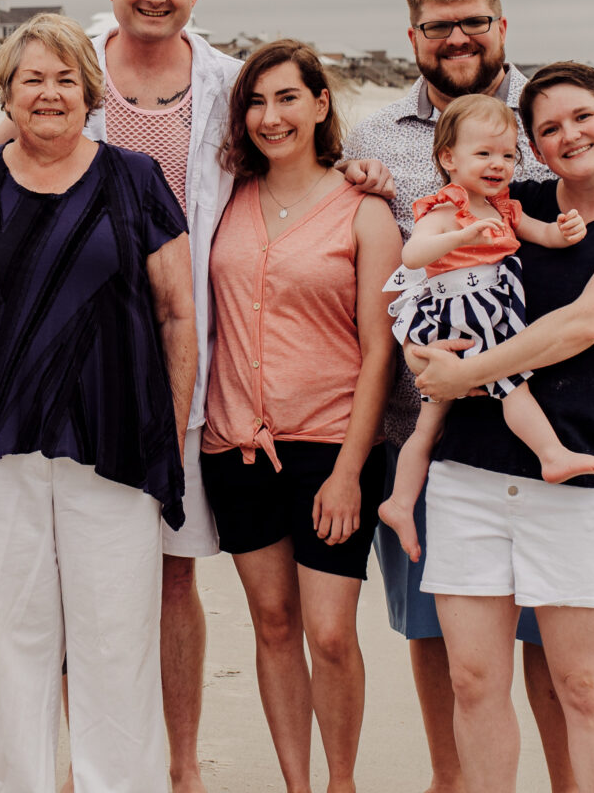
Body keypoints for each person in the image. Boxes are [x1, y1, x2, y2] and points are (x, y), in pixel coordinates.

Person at [0, 0, 389, 787]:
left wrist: (368, 174)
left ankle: (183, 763)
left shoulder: (230, 84)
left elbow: (296, 178)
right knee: (70, 579)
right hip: (76, 375)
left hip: (191, 374)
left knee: (170, 576)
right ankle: (79, 756)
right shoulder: (69, 61)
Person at [338, 0, 594, 790]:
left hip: (544, 414)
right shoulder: (374, 137)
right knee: (454, 653)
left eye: (474, 21)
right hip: (427, 428)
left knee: (560, 660)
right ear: (413, 34)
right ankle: (452, 781)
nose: (457, 37)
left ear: (501, 25)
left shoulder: (548, 113)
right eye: (437, 24)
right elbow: (360, 246)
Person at [408, 61, 594, 793]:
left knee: (584, 688)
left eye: (582, 116)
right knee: (474, 682)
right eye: (548, 129)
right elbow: (429, 262)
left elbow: (581, 325)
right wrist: (424, 347)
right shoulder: (515, 203)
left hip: (583, 472)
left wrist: (464, 375)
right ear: (533, 148)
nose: (568, 134)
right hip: (469, 472)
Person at [0, 14, 197, 793]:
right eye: (31, 79)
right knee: (6, 639)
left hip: (116, 444)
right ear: (7, 94)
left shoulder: (135, 176)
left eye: (64, 79)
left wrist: (170, 433)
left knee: (115, 642)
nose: (49, 93)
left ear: (91, 92)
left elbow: (178, 313)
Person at [197, 41, 401, 793]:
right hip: (235, 447)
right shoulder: (223, 195)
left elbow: (380, 352)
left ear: (321, 103)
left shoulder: (366, 210)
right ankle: (297, 784)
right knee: (275, 627)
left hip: (331, 449)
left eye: (288, 98)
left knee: (331, 634)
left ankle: (340, 782)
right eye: (255, 101)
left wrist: (351, 472)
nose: (270, 116)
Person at [378, 93, 594, 551]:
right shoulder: (442, 209)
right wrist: (459, 234)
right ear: (448, 158)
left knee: (431, 423)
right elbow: (412, 255)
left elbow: (544, 235)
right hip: (458, 313)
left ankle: (399, 503)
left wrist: (565, 232)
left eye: (508, 155)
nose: (498, 164)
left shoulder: (504, 208)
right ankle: (551, 453)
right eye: (484, 153)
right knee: (509, 383)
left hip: (486, 310)